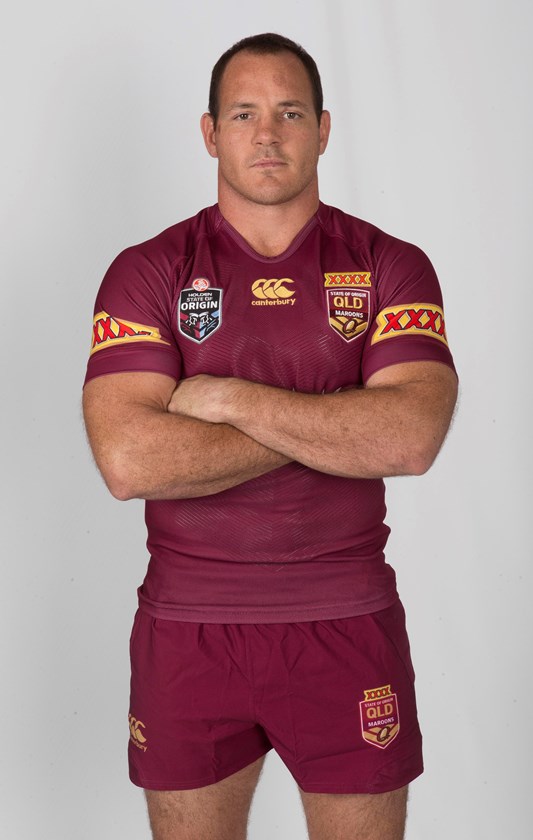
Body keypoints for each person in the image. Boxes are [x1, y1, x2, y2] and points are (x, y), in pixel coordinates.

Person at [83, 32, 457, 840]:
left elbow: (409, 438)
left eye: (288, 113)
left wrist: (224, 398)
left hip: (345, 621)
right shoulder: (149, 270)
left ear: (322, 130)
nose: (266, 134)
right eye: (243, 114)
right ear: (209, 133)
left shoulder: (388, 264)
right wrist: (340, 415)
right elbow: (128, 460)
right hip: (188, 629)